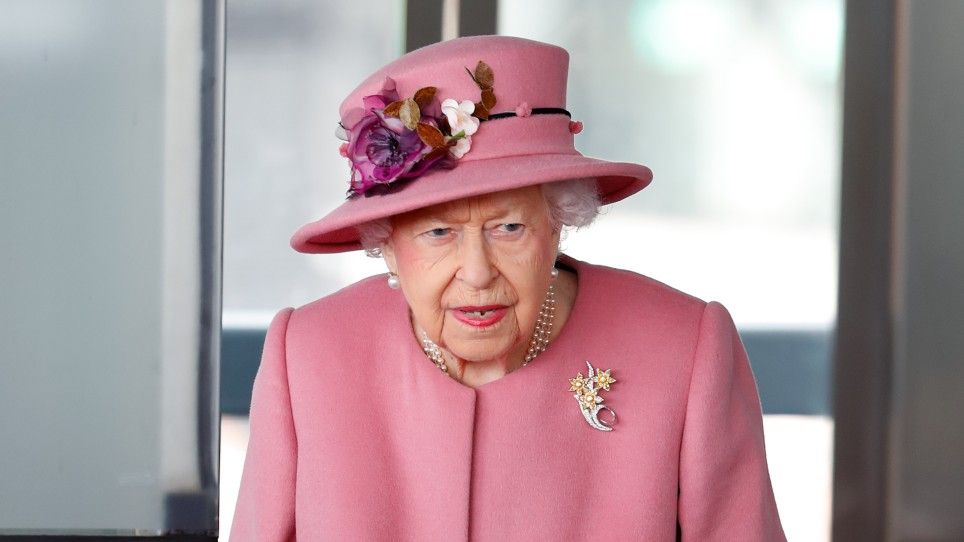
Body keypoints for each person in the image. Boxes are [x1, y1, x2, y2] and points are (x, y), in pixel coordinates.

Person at [230, 35, 786, 541]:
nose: (477, 272)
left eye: (508, 227)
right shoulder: (307, 355)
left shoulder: (684, 349)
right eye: (438, 232)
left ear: (558, 223)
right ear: (388, 243)